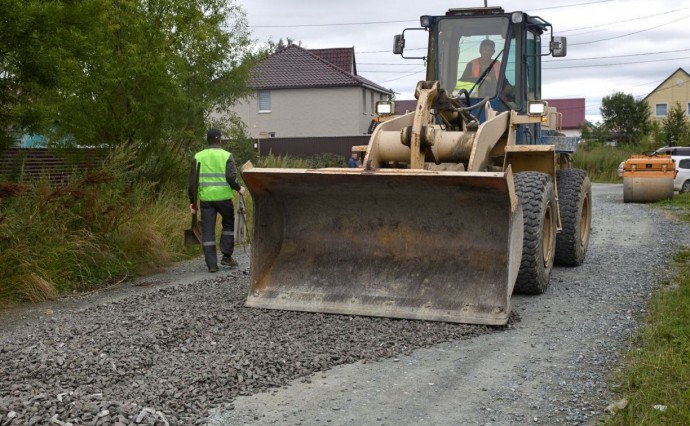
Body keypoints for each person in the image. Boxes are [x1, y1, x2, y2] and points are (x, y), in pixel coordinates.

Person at [188, 128, 245, 273]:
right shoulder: (226, 156)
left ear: (207, 140)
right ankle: (226, 256)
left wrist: (192, 202)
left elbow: (192, 183)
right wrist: (239, 188)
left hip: (206, 200)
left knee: (207, 231)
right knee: (228, 225)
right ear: (220, 140)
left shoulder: (198, 156)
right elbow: (231, 177)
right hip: (224, 198)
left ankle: (212, 265)